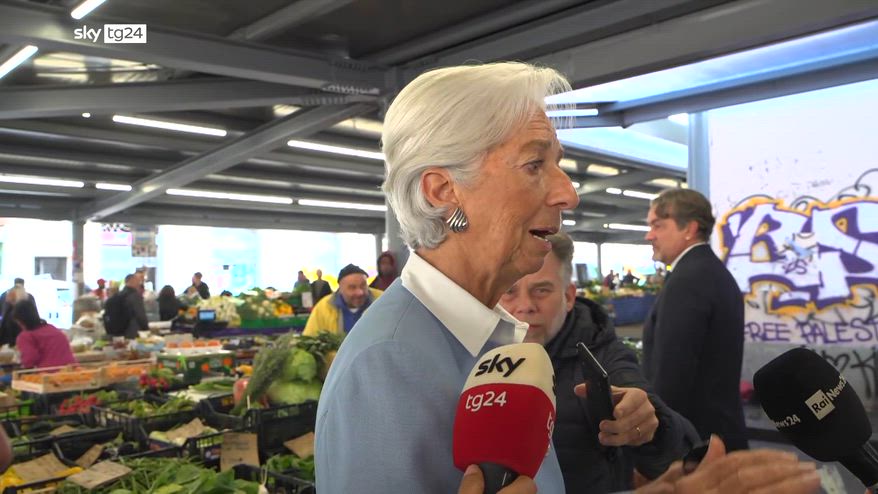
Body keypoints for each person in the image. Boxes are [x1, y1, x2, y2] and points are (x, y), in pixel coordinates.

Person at [315, 62, 820, 494]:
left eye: (557, 163)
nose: (569, 193)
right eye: (535, 164)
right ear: (444, 191)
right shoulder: (388, 364)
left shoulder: (486, 338)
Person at [500, 232, 697, 493]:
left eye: (542, 290)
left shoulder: (603, 356)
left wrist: (651, 424)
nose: (525, 306)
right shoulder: (478, 354)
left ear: (569, 297)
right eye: (509, 291)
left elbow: (672, 447)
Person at [642, 188, 748, 451]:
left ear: (689, 228)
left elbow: (672, 372)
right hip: (718, 431)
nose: (649, 235)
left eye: (657, 225)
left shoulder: (688, 280)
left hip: (696, 442)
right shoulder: (708, 270)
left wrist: (657, 445)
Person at [303, 264, 381, 336]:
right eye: (352, 287)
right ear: (340, 289)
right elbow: (309, 338)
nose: (360, 292)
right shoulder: (323, 307)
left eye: (363, 285)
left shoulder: (381, 300)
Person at [13, 299, 77, 369]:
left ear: (20, 321)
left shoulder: (25, 337)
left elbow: (30, 359)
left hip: (48, 373)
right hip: (73, 370)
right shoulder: (52, 328)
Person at [120, 274, 149, 338]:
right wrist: (146, 328)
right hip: (134, 331)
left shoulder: (119, 295)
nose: (139, 283)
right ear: (132, 281)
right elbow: (140, 314)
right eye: (138, 281)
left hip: (121, 331)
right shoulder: (135, 296)